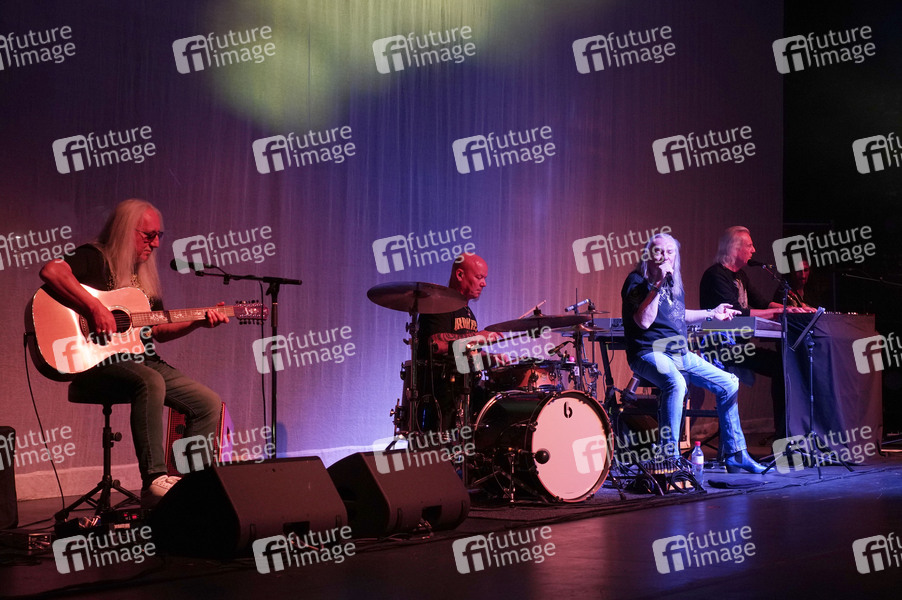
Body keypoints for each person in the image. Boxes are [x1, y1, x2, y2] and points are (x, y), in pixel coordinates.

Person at [39, 199, 228, 508]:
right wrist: (95, 307)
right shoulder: (94, 257)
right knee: (150, 381)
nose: (155, 244)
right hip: (97, 362)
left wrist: (197, 322)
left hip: (142, 360)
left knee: (207, 403)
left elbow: (157, 330)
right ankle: (154, 479)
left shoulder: (143, 277)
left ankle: (190, 489)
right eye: (148, 235)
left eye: (158, 236)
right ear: (126, 231)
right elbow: (51, 270)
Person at [621, 232, 766, 473]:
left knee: (729, 383)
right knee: (676, 383)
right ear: (648, 255)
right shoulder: (636, 281)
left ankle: (736, 454)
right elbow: (643, 321)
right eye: (658, 251)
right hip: (649, 352)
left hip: (679, 352)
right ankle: (669, 456)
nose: (664, 256)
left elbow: (680, 316)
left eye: (670, 252)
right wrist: (657, 284)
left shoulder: (674, 284)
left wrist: (712, 313)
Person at [699, 226, 814, 438]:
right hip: (719, 347)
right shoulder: (715, 276)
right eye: (750, 246)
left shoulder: (741, 275)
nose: (754, 250)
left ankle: (785, 433)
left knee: (784, 365)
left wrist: (795, 308)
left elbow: (761, 303)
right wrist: (780, 312)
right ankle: (782, 435)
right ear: (735, 248)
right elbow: (738, 313)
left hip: (738, 346)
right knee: (781, 366)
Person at [415, 253, 501, 431]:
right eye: (479, 277)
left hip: (463, 394)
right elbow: (436, 344)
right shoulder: (438, 304)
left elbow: (465, 353)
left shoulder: (467, 312)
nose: (484, 283)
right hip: (441, 396)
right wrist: (478, 337)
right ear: (460, 275)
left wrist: (491, 359)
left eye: (484, 278)